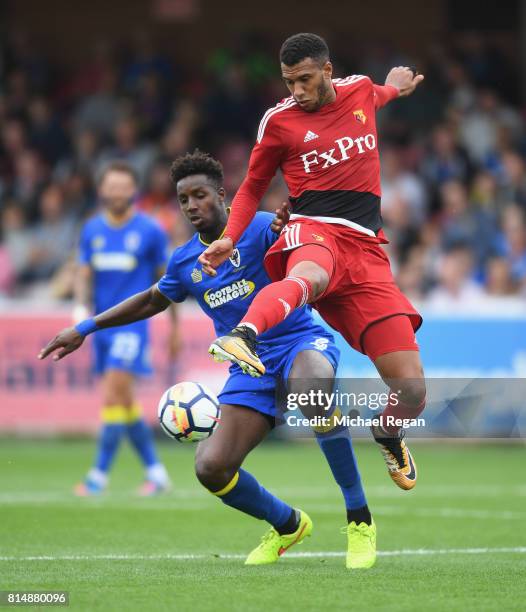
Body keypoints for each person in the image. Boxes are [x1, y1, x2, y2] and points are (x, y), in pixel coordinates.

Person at [39, 151, 376, 569]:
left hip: (298, 340)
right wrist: (84, 329)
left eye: (200, 195)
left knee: (313, 391)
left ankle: (359, 519)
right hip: (249, 364)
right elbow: (150, 300)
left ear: (222, 194)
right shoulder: (185, 262)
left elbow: (308, 256)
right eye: (183, 200)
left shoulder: (262, 227)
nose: (192, 206)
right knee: (211, 467)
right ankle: (287, 524)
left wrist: (290, 229)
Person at [198, 33, 426, 491]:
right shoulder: (278, 122)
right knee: (310, 274)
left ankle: (387, 431)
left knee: (413, 391)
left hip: (365, 251)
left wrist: (395, 86)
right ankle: (244, 335)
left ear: (327, 70)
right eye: (288, 82)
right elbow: (251, 186)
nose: (296, 91)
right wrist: (228, 238)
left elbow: (379, 94)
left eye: (304, 79)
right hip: (313, 228)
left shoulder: (360, 90)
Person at [70, 161, 176, 496]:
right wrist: (80, 308)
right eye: (111, 186)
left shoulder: (150, 230)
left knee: (114, 392)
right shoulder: (92, 230)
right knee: (124, 400)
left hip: (133, 328)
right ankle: (157, 473)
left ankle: (97, 476)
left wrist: (175, 327)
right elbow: (84, 273)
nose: (117, 192)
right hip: (100, 326)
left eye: (123, 186)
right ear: (102, 190)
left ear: (134, 190)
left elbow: (167, 281)